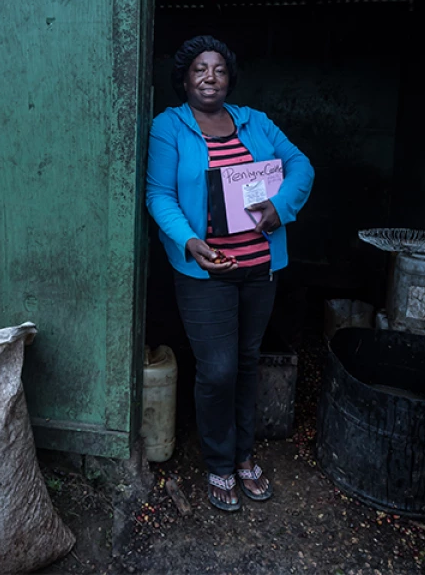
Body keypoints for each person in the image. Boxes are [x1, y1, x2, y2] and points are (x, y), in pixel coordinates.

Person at [145, 35, 314, 512]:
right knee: (217, 370)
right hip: (207, 271)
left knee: (245, 363)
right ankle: (219, 463)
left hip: (260, 267)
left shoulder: (255, 123)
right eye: (200, 68)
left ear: (229, 78)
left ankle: (243, 456)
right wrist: (189, 241)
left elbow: (301, 165)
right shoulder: (170, 127)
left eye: (218, 69)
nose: (209, 76)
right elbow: (159, 194)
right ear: (184, 78)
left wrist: (281, 208)